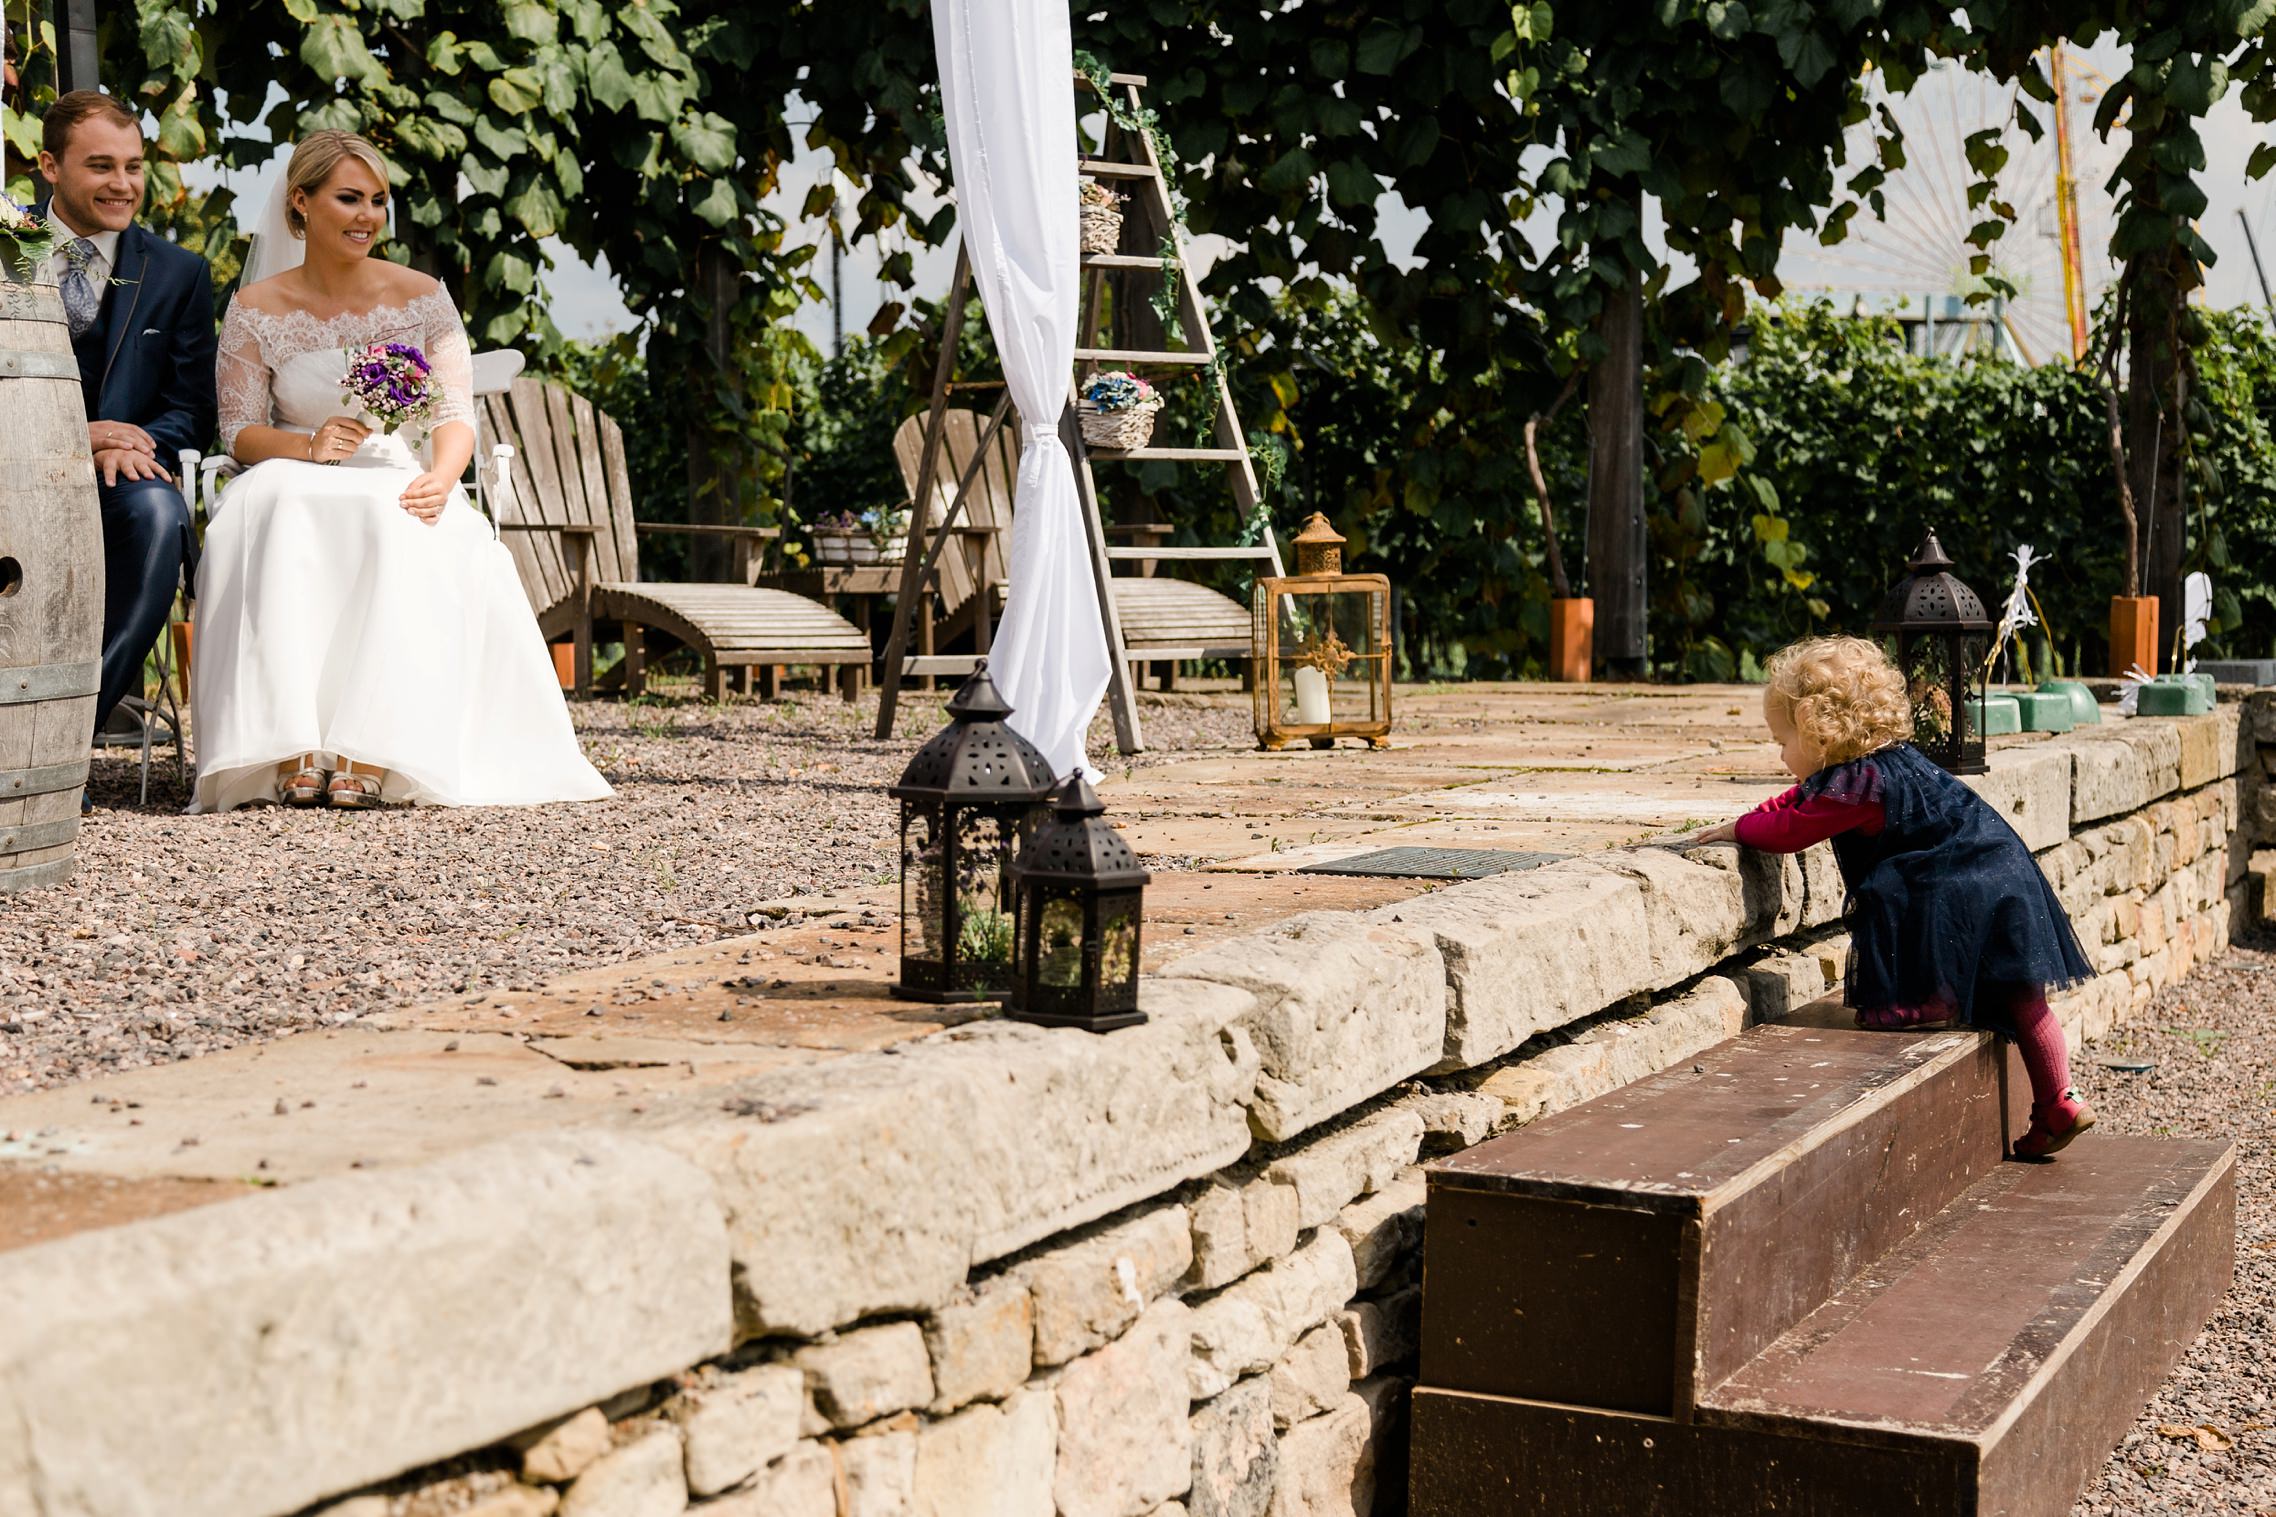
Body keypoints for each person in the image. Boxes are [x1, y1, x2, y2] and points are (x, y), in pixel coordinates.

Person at [193, 129, 610, 812]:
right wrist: (308, 446)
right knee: (263, 507)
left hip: (391, 466)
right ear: (301, 202)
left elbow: (453, 415)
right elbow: (238, 432)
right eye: (349, 198)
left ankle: (373, 746)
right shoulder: (257, 307)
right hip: (295, 464)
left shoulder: (420, 298)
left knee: (400, 520)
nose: (367, 216)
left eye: (378, 201)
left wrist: (443, 477)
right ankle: (290, 743)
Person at [1689, 635, 2098, 1159]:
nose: (1779, 752)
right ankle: (2060, 1099)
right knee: (2024, 995)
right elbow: (1802, 798)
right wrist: (1761, 811)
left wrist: (1742, 829)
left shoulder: (1859, 786)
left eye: (1781, 739)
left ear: (1817, 732)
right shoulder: (1887, 765)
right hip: (2005, 875)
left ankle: (1917, 1006)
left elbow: (1794, 828)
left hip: (1957, 891)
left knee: (1899, 905)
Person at [36, 90, 216, 744]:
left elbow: (191, 410)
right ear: (49, 165)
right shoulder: (5, 249)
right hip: (12, 466)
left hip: (120, 480)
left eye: (134, 166)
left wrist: (133, 444)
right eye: (101, 166)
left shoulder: (179, 274)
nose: (123, 184)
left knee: (161, 513)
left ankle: (57, 738)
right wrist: (79, 438)